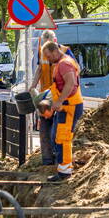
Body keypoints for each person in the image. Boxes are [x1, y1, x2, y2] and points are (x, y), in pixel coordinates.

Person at [39, 40, 84, 182]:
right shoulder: (61, 63)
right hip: (66, 105)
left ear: (54, 51)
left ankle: (64, 172)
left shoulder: (64, 64)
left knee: (63, 138)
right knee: (58, 137)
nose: (48, 60)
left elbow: (71, 83)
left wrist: (59, 101)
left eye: (48, 56)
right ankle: (65, 167)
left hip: (69, 105)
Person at [33, 31, 75, 167]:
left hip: (59, 96)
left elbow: (73, 74)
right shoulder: (42, 52)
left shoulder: (65, 52)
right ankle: (47, 160)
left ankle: (59, 159)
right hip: (45, 96)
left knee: (58, 129)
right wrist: (33, 85)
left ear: (54, 41)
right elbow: (40, 69)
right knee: (44, 126)